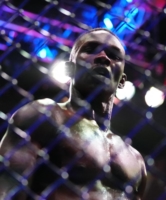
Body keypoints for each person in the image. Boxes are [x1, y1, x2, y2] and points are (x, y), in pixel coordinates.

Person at [0, 28, 147, 200]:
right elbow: (7, 191)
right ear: (69, 69)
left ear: (122, 80)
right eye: (91, 50)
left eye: (114, 55)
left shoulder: (136, 160)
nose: (103, 57)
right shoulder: (44, 115)